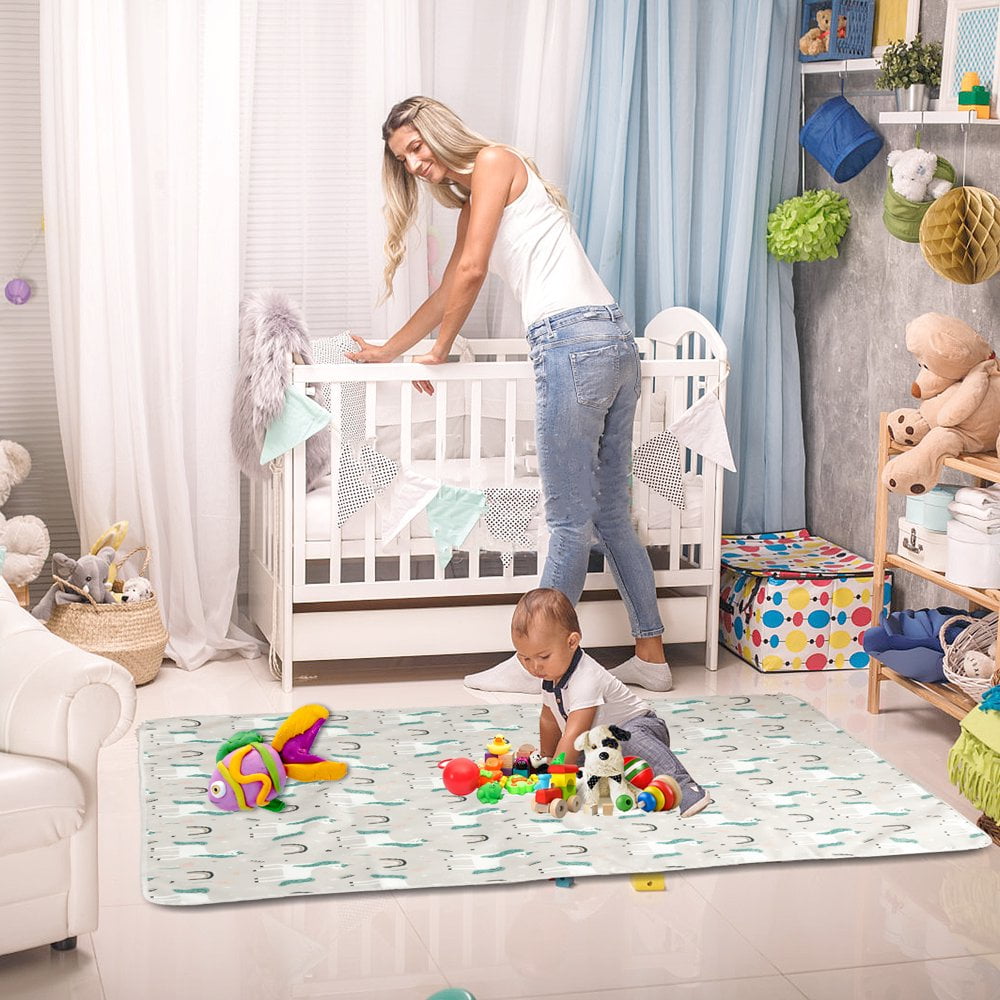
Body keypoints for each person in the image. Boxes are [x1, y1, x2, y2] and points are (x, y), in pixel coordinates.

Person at [347, 95, 671, 694]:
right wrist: (390, 350)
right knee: (607, 514)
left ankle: (540, 667)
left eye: (416, 147)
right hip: (611, 339)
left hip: (569, 342)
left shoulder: (494, 162)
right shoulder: (477, 202)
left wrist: (441, 350)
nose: (414, 164)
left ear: (439, 131)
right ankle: (650, 656)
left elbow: (472, 274)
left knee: (567, 520)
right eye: (403, 159)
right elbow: (450, 287)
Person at [511, 588, 711, 818]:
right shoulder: (549, 676)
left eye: (543, 657)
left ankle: (686, 786)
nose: (534, 667)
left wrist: (556, 776)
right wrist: (547, 759)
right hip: (601, 746)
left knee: (626, 738)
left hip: (640, 729)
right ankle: (629, 783)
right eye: (525, 658)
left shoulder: (586, 678)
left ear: (572, 642)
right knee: (583, 763)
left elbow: (575, 731)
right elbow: (549, 719)